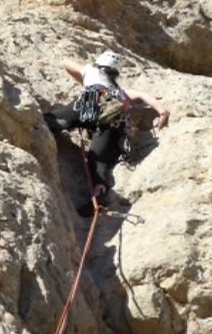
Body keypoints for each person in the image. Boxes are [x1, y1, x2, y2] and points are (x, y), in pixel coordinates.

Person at [43, 51, 170, 216]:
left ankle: (58, 123)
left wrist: (86, 78)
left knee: (54, 120)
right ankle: (99, 193)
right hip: (112, 121)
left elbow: (66, 62)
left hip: (90, 103)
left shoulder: (91, 71)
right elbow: (142, 95)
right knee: (97, 161)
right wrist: (162, 111)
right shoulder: (119, 90)